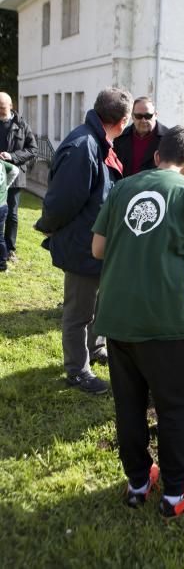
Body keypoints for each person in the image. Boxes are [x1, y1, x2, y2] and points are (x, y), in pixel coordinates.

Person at [91, 125, 184, 518]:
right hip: (164, 322)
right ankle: (176, 494)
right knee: (176, 407)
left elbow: (97, 249)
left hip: (115, 317)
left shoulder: (125, 187)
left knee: (128, 405)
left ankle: (138, 483)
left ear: (158, 155)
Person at [35, 88, 132, 395]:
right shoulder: (83, 146)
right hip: (82, 245)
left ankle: (93, 349)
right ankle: (77, 371)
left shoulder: (98, 141)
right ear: (123, 120)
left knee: (95, 307)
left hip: (97, 244)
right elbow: (61, 201)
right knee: (79, 313)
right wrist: (48, 228)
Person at [0, 91, 38, 262]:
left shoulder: (22, 125)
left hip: (15, 176)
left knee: (12, 214)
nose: (0, 111)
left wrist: (12, 157)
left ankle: (10, 249)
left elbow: (33, 150)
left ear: (10, 106)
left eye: (2, 107)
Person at [113, 96, 168, 176]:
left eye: (148, 116)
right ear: (132, 116)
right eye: (139, 116)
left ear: (155, 115)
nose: (143, 120)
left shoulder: (168, 139)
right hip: (126, 187)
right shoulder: (120, 137)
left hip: (154, 187)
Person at [0, 159, 20, 272]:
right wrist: (7, 185)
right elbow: (15, 170)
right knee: (0, 237)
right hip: (3, 206)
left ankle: (2, 264)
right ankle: (2, 264)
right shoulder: (2, 163)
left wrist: (7, 185)